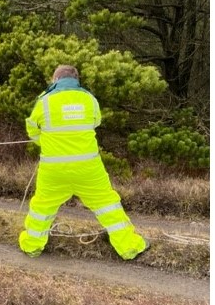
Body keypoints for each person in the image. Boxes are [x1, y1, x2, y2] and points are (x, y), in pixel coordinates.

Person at [19, 64, 149, 260]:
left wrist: (45, 142)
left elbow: (32, 129)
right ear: (76, 79)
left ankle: (32, 246)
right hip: (88, 168)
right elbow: (95, 122)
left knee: (42, 207)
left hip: (54, 169)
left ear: (55, 80)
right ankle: (129, 247)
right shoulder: (90, 99)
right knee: (108, 205)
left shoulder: (44, 100)